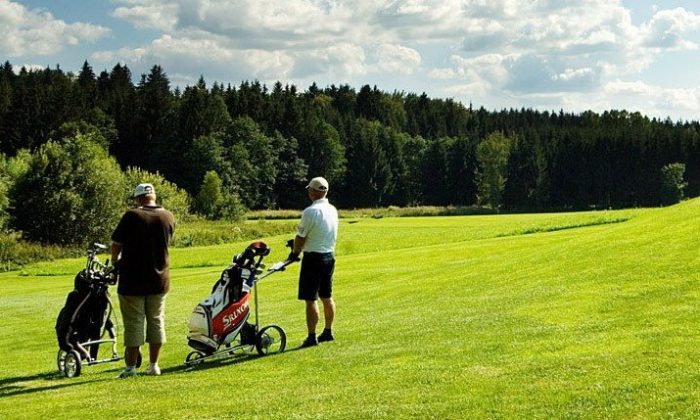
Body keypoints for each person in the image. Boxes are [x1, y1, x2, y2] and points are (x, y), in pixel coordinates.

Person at [111, 183, 175, 377]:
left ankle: (130, 368)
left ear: (138, 199)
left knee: (134, 323)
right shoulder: (168, 216)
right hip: (160, 278)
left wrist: (115, 263)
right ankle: (154, 365)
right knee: (156, 321)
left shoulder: (132, 215)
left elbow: (116, 243)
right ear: (153, 196)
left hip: (133, 280)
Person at [289, 176, 339, 348]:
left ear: (314, 192)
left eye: (310, 189)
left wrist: (294, 252)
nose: (308, 192)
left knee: (311, 299)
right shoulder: (332, 209)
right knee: (327, 296)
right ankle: (328, 331)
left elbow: (300, 238)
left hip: (313, 258)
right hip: (329, 256)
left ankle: (311, 337)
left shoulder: (310, 212)